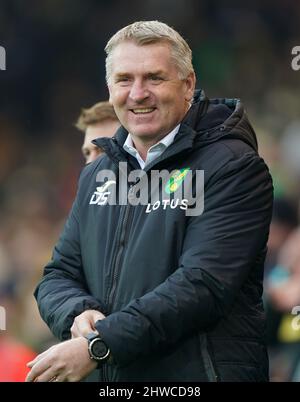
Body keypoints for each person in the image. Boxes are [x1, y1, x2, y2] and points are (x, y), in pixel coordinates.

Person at [26, 20, 273, 382]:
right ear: (110, 88)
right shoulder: (97, 172)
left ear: (188, 84)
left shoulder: (233, 166)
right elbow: (58, 275)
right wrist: (78, 314)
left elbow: (201, 286)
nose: (138, 94)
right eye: (125, 79)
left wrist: (100, 345)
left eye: (154, 78)